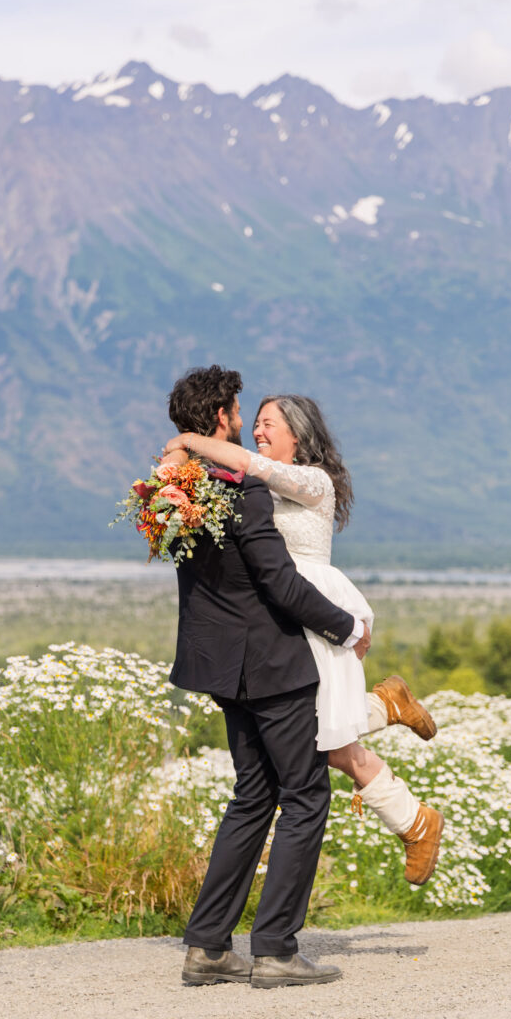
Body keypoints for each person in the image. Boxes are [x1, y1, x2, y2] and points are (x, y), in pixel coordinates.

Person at [164, 392, 444, 888]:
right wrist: (177, 465)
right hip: (279, 614)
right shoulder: (250, 484)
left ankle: (414, 818)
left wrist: (188, 438)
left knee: (326, 741)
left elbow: (245, 464)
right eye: (254, 424)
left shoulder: (312, 481)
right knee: (322, 732)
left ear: (299, 434)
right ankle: (390, 725)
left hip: (313, 606)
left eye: (269, 424)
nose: (257, 432)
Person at [166, 366, 371, 989]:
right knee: (305, 795)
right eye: (241, 413)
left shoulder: (174, 488)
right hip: (272, 663)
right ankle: (277, 950)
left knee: (252, 795)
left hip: (219, 662)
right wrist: (346, 627)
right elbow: (277, 581)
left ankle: (207, 946)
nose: (247, 423)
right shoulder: (244, 490)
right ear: (223, 417)